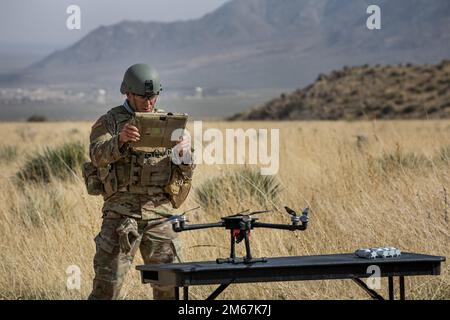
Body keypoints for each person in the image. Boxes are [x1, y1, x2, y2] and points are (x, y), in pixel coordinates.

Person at [86, 63, 194, 300]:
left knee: (170, 287)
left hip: (160, 216)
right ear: (127, 93)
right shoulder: (110, 121)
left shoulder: (168, 121)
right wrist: (120, 140)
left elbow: (185, 168)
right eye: (143, 97)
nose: (149, 103)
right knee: (107, 288)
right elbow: (96, 156)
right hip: (120, 216)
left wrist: (185, 151)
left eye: (153, 96)